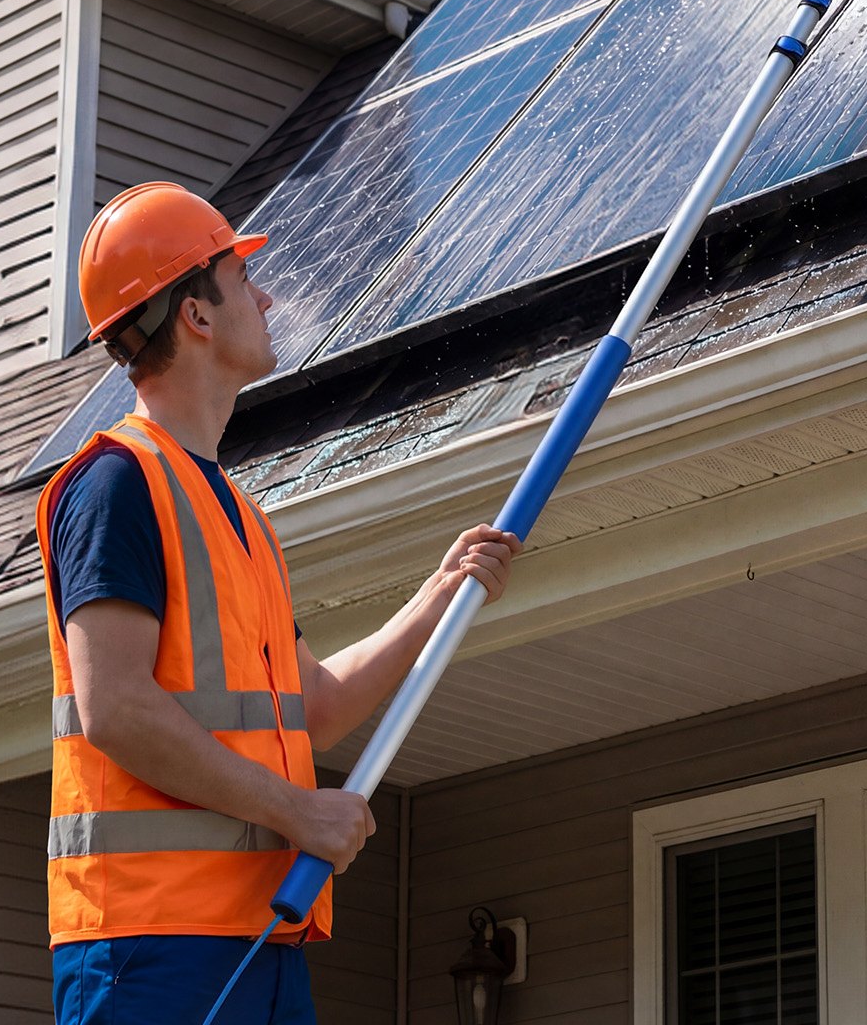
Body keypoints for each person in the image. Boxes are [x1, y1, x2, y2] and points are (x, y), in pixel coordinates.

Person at [37, 182, 519, 1025]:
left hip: (258, 937)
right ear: (195, 314)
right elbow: (112, 706)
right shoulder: (115, 484)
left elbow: (315, 710)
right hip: (151, 948)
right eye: (240, 277)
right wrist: (297, 810)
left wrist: (439, 597)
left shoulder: (241, 518)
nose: (264, 296)